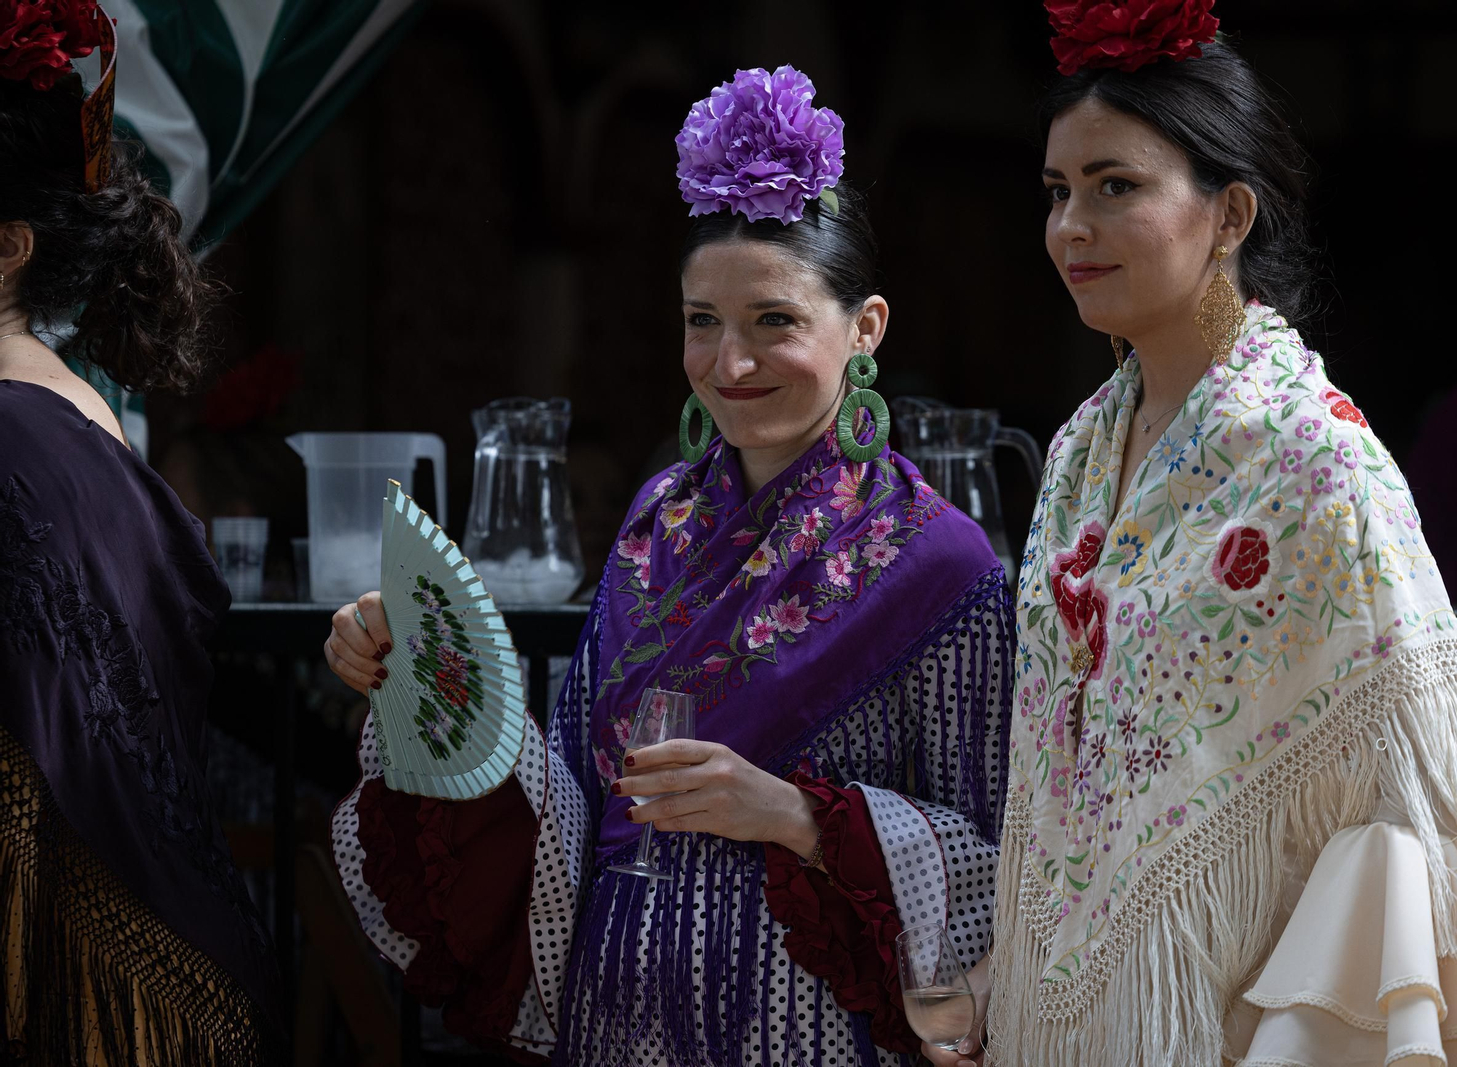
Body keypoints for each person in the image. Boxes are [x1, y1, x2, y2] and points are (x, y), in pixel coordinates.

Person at [323, 66, 1011, 1066]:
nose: (730, 363)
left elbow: (1008, 870)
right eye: (702, 321)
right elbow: (566, 798)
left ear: (864, 327)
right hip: (616, 1015)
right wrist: (424, 664)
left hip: (808, 1033)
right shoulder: (659, 523)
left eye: (774, 320)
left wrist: (794, 815)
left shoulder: (940, 559)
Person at [977, 3, 1457, 1065]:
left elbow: (1415, 789)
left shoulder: (1317, 456)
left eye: (1113, 185)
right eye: (1057, 191)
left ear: (1228, 215)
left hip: (1245, 1004)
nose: (1069, 226)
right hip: (1071, 999)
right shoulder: (1082, 446)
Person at [0, 4, 279, 1063]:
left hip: (81, 993)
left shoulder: (14, 438)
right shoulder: (79, 412)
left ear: (10, 248)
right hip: (166, 978)